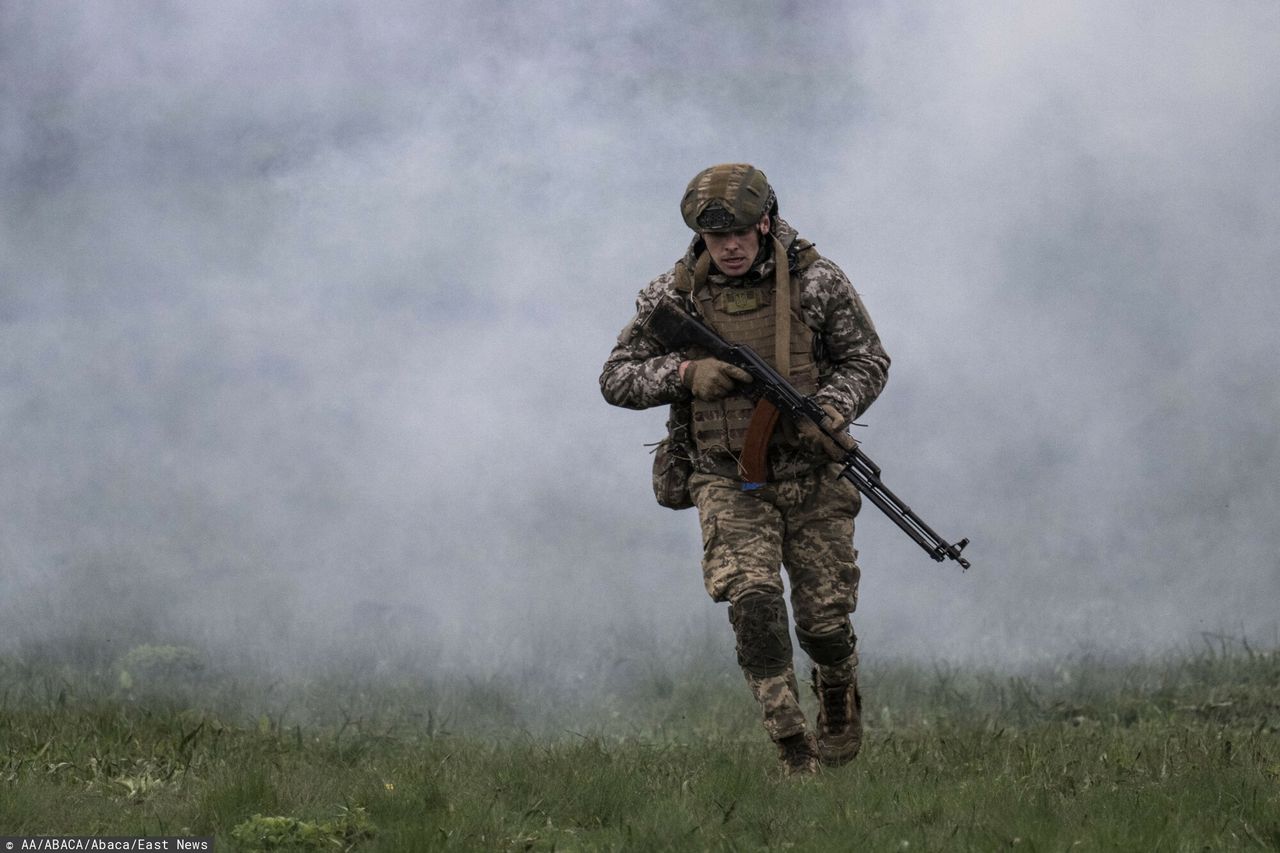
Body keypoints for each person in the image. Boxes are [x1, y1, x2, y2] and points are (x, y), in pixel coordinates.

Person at [599, 163, 890, 776]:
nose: (728, 248)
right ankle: (791, 745)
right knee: (753, 601)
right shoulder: (672, 295)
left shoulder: (817, 282)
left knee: (824, 619)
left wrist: (833, 409)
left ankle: (836, 693)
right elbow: (616, 376)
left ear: (765, 221)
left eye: (738, 234)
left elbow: (867, 358)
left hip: (812, 474)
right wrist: (684, 375)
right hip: (727, 475)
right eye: (714, 238)